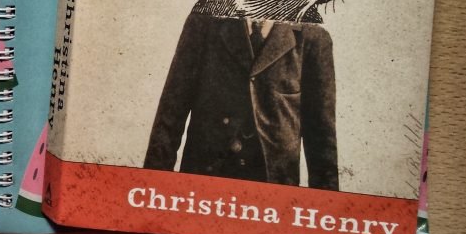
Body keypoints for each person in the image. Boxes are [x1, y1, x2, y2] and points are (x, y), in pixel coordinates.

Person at [143, 12, 338, 190]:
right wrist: (152, 188)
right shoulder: (204, 23)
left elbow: (321, 140)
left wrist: (325, 205)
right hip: (205, 182)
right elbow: (170, 114)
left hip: (273, 192)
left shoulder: (313, 37)